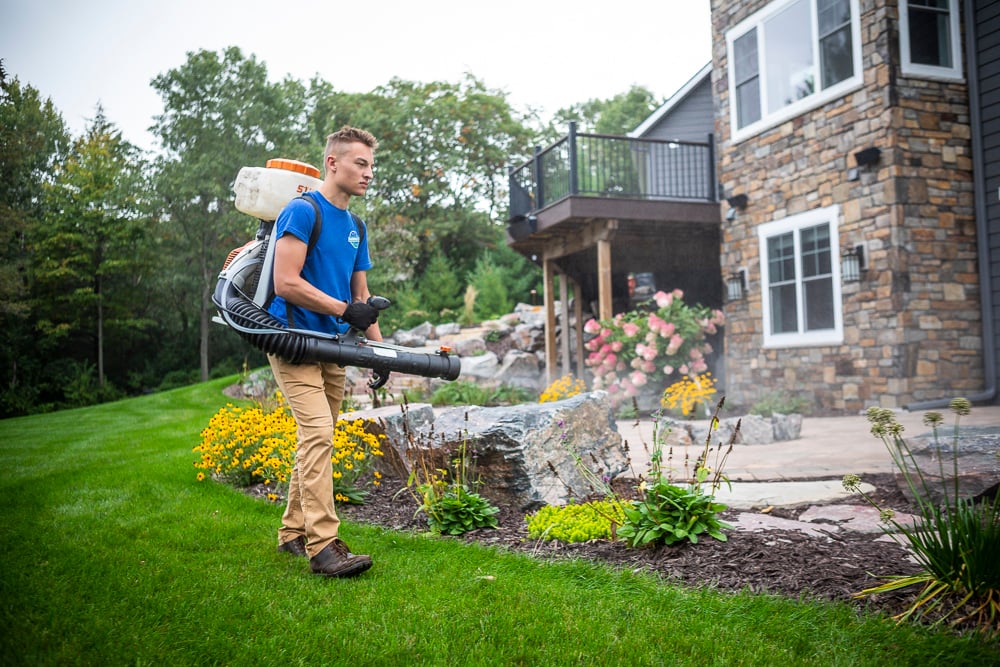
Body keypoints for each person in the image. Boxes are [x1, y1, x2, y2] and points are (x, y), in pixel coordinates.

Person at [267, 126, 382, 578]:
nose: (369, 173)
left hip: (333, 347)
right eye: (361, 163)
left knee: (316, 439)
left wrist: (380, 353)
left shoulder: (356, 226)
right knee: (318, 436)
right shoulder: (302, 211)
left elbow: (363, 298)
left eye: (371, 165)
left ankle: (292, 532)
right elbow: (286, 282)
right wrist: (344, 310)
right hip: (293, 341)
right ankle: (324, 546)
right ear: (332, 163)